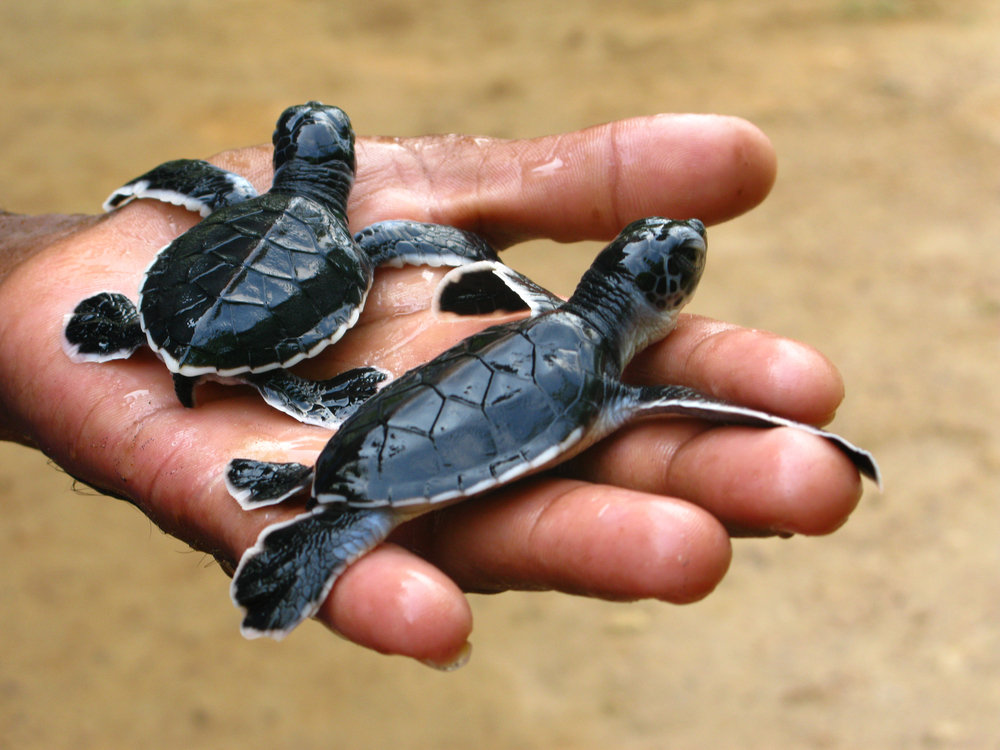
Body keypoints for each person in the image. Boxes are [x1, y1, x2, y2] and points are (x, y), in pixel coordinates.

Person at [0, 114, 864, 668]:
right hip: (390, 451)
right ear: (663, 302)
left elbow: (438, 362)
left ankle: (305, 485)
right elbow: (679, 401)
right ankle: (316, 523)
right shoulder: (609, 384)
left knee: (408, 426)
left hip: (356, 431)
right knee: (369, 505)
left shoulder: (547, 334)